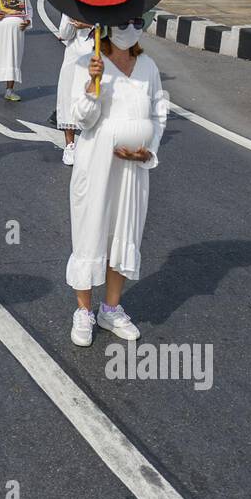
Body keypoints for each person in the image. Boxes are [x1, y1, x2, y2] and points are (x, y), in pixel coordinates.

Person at [65, 20, 167, 348]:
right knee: (91, 230)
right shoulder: (89, 63)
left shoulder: (148, 66)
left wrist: (147, 150)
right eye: (124, 22)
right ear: (108, 26)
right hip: (97, 163)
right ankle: (84, 311)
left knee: (125, 232)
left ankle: (110, 308)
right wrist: (93, 85)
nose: (131, 27)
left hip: (133, 168)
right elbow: (82, 119)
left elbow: (158, 114)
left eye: (137, 21)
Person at [55, 18, 93, 166]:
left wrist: (89, 25)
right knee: (69, 100)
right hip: (74, 58)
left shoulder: (106, 2)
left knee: (94, 103)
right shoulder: (71, 3)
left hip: (100, 57)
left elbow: (113, 31)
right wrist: (71, 22)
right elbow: (64, 33)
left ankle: (91, 145)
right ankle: (70, 145)